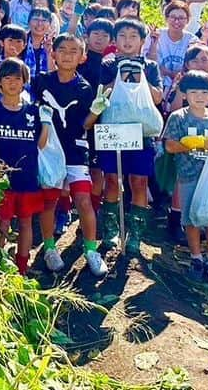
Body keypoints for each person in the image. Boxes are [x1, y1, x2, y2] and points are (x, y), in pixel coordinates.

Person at [33, 35, 108, 277]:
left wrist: (96, 111)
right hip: (49, 151)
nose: (67, 55)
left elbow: (85, 124)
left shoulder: (85, 88)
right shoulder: (41, 82)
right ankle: (50, 248)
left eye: (74, 51)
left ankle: (91, 250)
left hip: (76, 151)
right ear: (52, 53)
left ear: (82, 56)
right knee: (50, 201)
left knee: (84, 200)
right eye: (62, 50)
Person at [90, 18, 164, 255]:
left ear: (142, 41)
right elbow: (103, 92)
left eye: (133, 36)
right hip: (113, 131)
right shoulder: (109, 63)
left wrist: (139, 75)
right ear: (115, 40)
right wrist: (120, 73)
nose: (128, 41)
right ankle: (111, 230)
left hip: (140, 132)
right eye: (122, 36)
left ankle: (135, 235)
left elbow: (158, 98)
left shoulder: (150, 66)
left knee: (138, 181)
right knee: (112, 178)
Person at [163, 70, 208, 289]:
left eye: (204, 92)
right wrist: (192, 143)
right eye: (193, 92)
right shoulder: (178, 117)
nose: (199, 97)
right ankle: (196, 259)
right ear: (184, 94)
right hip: (187, 176)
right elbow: (169, 145)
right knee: (190, 219)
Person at [0, 58, 48, 275]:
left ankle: (21, 266)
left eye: (17, 78)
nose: (12, 83)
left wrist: (46, 124)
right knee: (2, 223)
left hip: (28, 178)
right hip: (2, 180)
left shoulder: (33, 112)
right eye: (7, 78)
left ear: (24, 82)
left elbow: (40, 144)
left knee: (26, 223)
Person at [150, 0, 196, 95]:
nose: (176, 21)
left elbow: (195, 64)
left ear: (187, 20)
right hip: (158, 84)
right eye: (173, 17)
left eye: (181, 18)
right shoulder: (156, 35)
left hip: (183, 86)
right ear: (166, 18)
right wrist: (153, 43)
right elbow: (150, 62)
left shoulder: (192, 40)